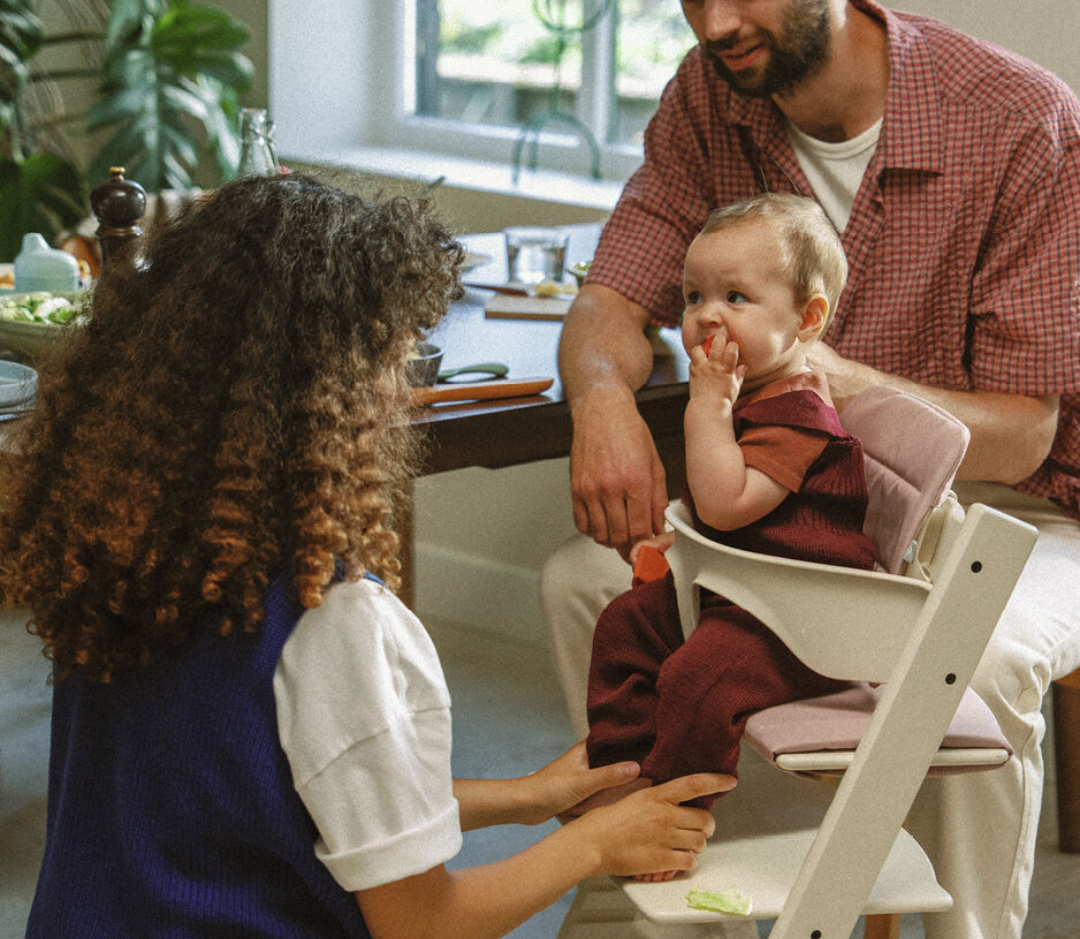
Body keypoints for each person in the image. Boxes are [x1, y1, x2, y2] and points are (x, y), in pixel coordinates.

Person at [542, 0, 1080, 938]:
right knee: (581, 583)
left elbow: (1026, 436)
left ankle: (959, 930)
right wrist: (601, 397)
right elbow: (612, 298)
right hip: (799, 511)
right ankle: (707, 901)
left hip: (1012, 514)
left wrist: (837, 380)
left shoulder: (1018, 122)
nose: (715, 23)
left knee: (977, 654)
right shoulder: (708, 101)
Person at [0, 173, 733, 938]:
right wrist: (594, 842)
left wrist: (526, 797)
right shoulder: (335, 619)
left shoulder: (125, 555)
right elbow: (422, 925)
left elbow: (285, 794)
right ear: (343, 386)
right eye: (401, 349)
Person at [584, 195, 875, 879]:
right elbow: (712, 518)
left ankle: (673, 820)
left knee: (698, 678)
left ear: (808, 319)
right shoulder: (752, 391)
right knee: (626, 624)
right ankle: (624, 774)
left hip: (806, 619)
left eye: (736, 296)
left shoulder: (799, 412)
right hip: (747, 592)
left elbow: (724, 503)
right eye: (694, 295)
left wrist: (707, 405)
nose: (706, 314)